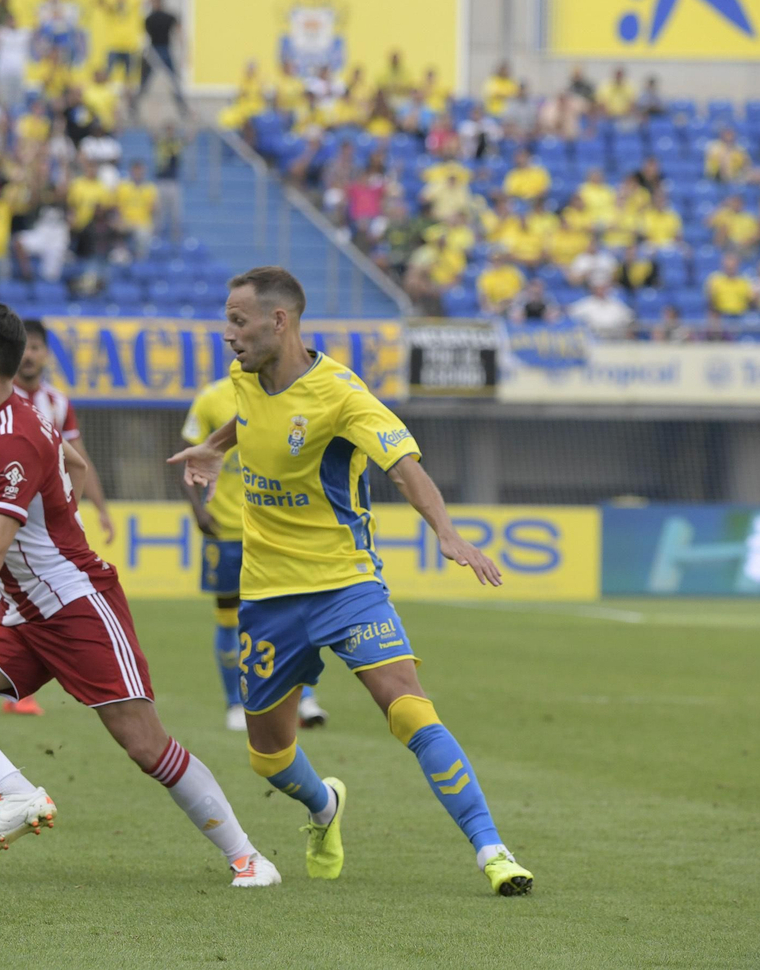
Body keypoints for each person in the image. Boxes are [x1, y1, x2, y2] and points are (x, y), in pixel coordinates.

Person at [0, 302, 278, 886]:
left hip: (76, 608)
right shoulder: (1, 422)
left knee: (146, 746)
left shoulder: (12, 435)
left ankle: (249, 859)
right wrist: (61, 472)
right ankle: (15, 791)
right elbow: (71, 460)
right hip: (23, 615)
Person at [169, 267, 533, 895]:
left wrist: (445, 531)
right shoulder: (242, 378)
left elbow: (403, 465)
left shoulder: (342, 394)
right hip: (268, 596)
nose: (226, 334)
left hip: (345, 585)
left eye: (237, 320)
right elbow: (251, 419)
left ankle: (493, 850)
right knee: (268, 755)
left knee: (410, 707)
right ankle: (324, 807)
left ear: (278, 321)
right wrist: (216, 447)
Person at [0, 318, 114, 717]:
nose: (31, 355)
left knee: (20, 593)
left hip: (32, 538)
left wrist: (90, 510)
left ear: (46, 355)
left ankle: (18, 682)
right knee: (12, 594)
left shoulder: (55, 404)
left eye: (38, 348)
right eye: (26, 348)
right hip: (10, 526)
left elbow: (78, 463)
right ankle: (17, 688)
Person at [181, 375, 329, 732]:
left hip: (276, 529)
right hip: (227, 531)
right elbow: (188, 457)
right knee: (231, 619)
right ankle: (236, 704)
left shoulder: (285, 394)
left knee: (293, 615)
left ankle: (304, 699)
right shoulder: (210, 399)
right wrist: (198, 512)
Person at [136, 0, 187, 116]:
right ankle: (134, 106)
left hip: (164, 49)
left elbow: (179, 32)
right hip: (153, 50)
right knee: (144, 82)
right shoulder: (149, 18)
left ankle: (182, 107)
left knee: (173, 80)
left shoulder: (166, 17)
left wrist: (183, 49)